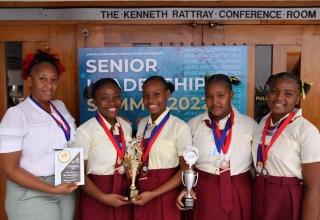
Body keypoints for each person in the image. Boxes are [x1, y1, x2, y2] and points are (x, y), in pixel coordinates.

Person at [0, 50, 78, 220]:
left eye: (54, 79)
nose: (49, 85)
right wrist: (50, 189)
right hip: (31, 192)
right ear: (29, 80)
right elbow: (7, 169)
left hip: (63, 185)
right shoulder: (17, 114)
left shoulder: (60, 106)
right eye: (42, 78)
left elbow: (71, 141)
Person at [176, 73, 258, 220]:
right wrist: (185, 187)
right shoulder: (193, 125)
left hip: (240, 188)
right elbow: (187, 163)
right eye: (209, 96)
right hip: (204, 190)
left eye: (220, 95)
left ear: (231, 94)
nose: (215, 102)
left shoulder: (250, 126)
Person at [252, 72, 320, 220]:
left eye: (288, 93)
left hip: (286, 196)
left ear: (297, 99)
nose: (279, 97)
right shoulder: (263, 122)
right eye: (274, 91)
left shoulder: (306, 131)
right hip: (260, 191)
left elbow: (315, 188)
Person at [131, 75, 193, 220]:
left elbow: (186, 169)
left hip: (166, 191)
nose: (150, 100)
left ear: (167, 94)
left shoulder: (179, 127)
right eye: (145, 96)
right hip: (142, 189)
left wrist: (153, 194)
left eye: (156, 94)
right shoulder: (142, 124)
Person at [72, 78, 133, 220]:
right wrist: (103, 197)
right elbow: (77, 175)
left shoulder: (126, 126)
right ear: (95, 102)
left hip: (123, 192)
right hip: (96, 193)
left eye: (116, 97)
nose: (112, 102)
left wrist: (130, 172)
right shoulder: (85, 131)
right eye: (104, 98)